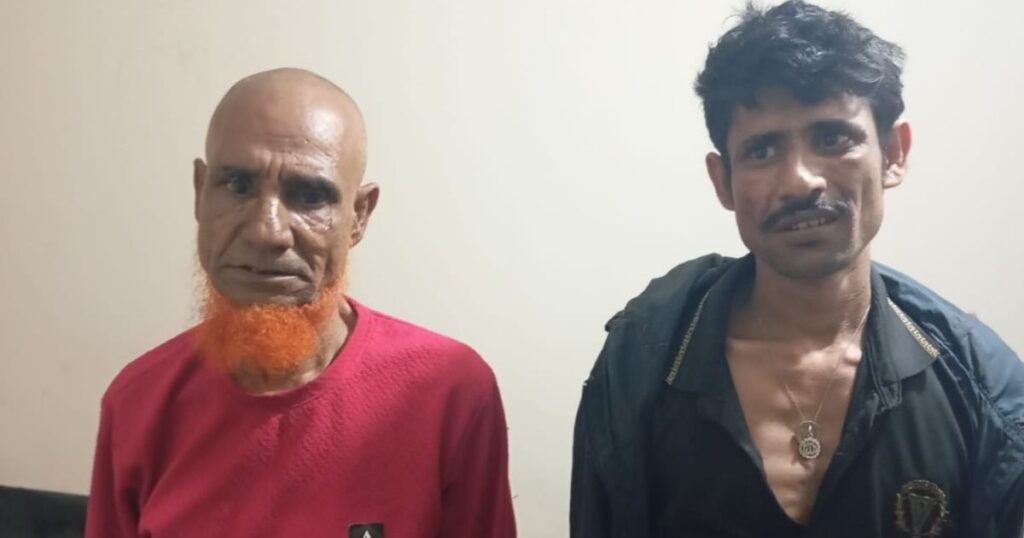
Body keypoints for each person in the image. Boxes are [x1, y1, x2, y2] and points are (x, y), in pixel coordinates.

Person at [570, 2, 1024, 536]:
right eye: (762, 150)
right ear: (722, 182)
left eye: (832, 138)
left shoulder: (980, 386)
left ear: (893, 153)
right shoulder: (639, 366)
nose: (800, 181)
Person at [85, 68, 516, 538]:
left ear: (359, 215)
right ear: (199, 193)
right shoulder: (137, 404)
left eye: (310, 195)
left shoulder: (449, 393)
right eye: (238, 185)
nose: (267, 231)